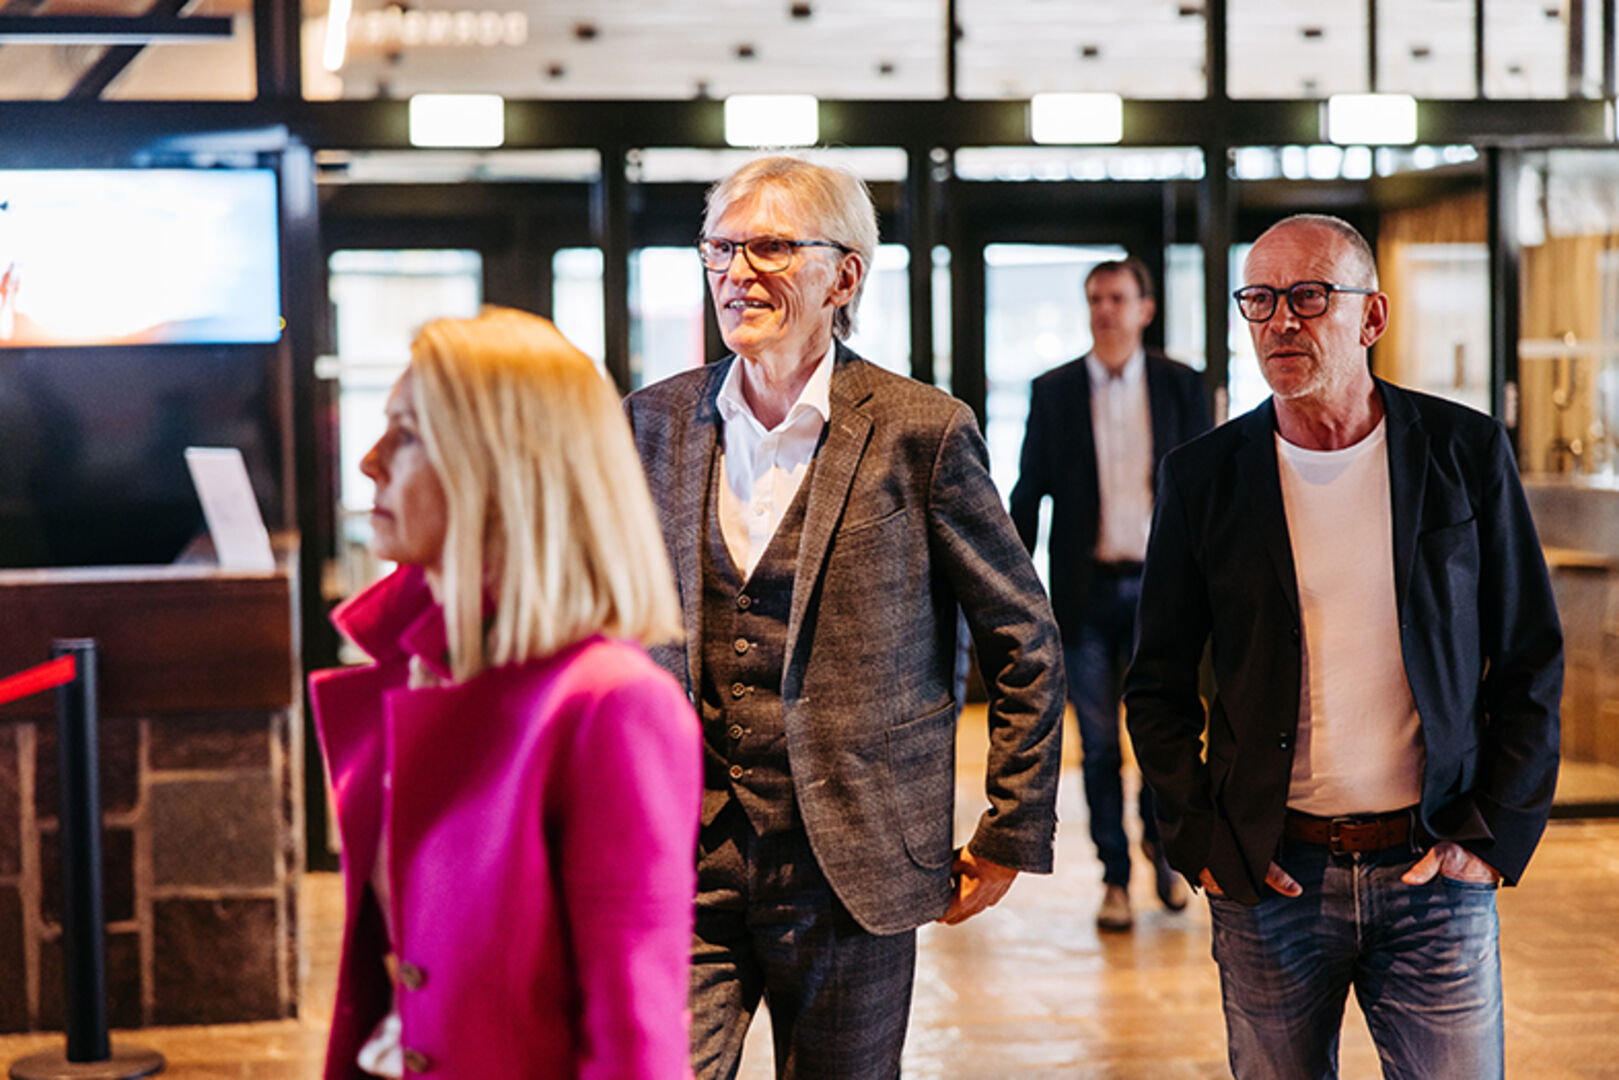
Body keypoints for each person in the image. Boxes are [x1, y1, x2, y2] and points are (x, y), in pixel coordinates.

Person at [625, 155, 1064, 1080]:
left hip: (852, 861)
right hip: (681, 855)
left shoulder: (920, 431)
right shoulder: (652, 423)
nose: (737, 274)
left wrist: (1010, 828)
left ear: (844, 276)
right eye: (720, 249)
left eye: (771, 248)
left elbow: (1021, 635)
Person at [1123, 214, 1563, 1079]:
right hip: (1269, 877)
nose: (1280, 321)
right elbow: (1157, 686)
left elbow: (1528, 656)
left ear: (1371, 317)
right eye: (1259, 300)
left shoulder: (1462, 451)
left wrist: (1490, 837)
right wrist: (1203, 843)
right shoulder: (1202, 476)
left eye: (1309, 296)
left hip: (1433, 869)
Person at [309, 307, 701, 1080]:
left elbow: (634, 1040)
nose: (369, 461)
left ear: (500, 468)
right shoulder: (426, 672)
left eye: (407, 434)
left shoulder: (611, 705)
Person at [1009, 256, 1209, 932]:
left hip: (1162, 594)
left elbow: (1207, 492)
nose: (1104, 310)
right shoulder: (1055, 390)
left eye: (1117, 298)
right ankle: (1115, 876)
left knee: (1162, 738)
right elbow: (1029, 492)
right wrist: (1010, 591)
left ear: (1144, 309)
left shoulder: (1181, 385)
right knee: (1098, 746)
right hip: (1086, 595)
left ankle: (1165, 852)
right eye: (1095, 298)